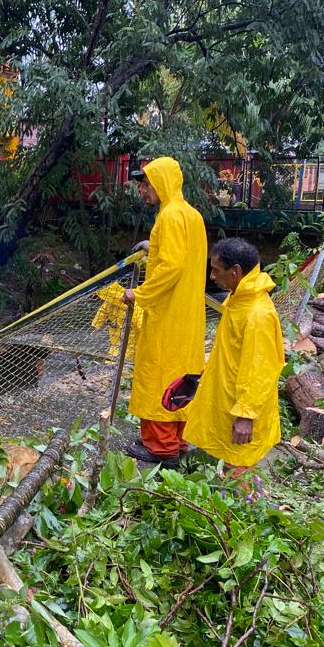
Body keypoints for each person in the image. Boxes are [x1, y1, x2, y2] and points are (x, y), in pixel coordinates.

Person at [123, 156, 208, 467]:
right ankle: (178, 441)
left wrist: (139, 293)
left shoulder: (169, 216)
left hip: (168, 313)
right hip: (188, 312)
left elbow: (172, 267)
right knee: (181, 374)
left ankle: (161, 448)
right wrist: (153, 247)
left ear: (161, 182)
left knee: (158, 374)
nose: (142, 190)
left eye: (145, 184)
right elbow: (182, 254)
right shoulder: (191, 214)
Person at [183, 238, 284, 475]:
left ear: (236, 271)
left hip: (241, 405)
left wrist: (246, 416)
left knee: (238, 468)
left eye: (216, 270)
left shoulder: (257, 314)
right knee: (227, 461)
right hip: (227, 393)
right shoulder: (239, 297)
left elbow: (261, 371)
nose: (212, 277)